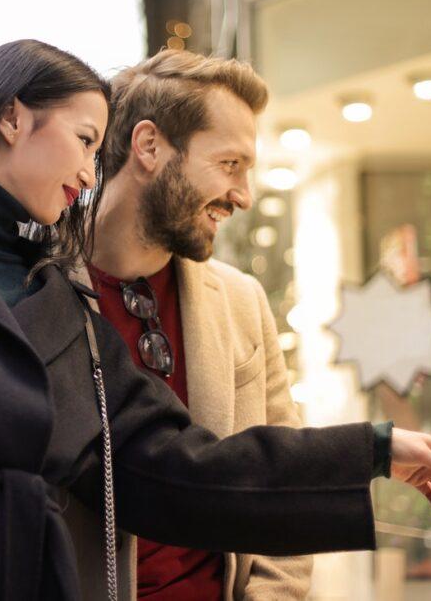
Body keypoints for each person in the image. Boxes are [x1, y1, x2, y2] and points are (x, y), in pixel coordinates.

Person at [0, 40, 431, 601]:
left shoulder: (56, 301)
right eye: (83, 140)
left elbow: (184, 467)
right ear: (12, 117)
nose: (89, 171)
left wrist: (374, 449)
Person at [62, 49, 312, 600]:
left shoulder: (243, 302)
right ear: (149, 146)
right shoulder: (39, 292)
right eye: (230, 165)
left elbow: (284, 488)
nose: (243, 196)